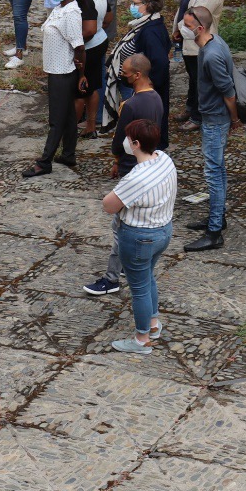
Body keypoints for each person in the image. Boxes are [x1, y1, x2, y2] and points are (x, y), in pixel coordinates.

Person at [83, 54, 166, 296]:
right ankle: (122, 267)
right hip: (149, 163)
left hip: (131, 166)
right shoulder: (157, 99)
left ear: (137, 75)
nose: (123, 75)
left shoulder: (130, 105)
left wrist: (117, 160)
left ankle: (111, 279)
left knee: (121, 225)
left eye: (126, 73)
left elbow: (119, 141)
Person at [102, 119, 177, 355]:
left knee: (140, 289)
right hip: (163, 232)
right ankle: (153, 324)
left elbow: (109, 205)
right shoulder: (164, 160)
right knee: (148, 278)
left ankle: (142, 339)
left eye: (127, 138)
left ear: (135, 144)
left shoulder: (136, 179)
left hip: (138, 238)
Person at [182, 7, 240, 252]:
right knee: (219, 170)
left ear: (200, 28)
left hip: (216, 119)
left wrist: (234, 120)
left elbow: (228, 91)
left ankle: (214, 232)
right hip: (214, 117)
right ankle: (219, 217)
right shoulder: (211, 44)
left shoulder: (212, 54)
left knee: (214, 174)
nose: (182, 29)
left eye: (186, 25)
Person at [23, 0, 86, 178]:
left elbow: (79, 46)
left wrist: (81, 73)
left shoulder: (71, 14)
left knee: (56, 119)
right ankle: (68, 154)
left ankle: (44, 161)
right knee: (68, 116)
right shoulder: (60, 9)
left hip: (63, 72)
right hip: (55, 69)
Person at [106, 0, 172, 148]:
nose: (132, 7)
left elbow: (161, 62)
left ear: (149, 5)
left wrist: (148, 84)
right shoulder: (147, 24)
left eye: (136, 3)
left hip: (142, 88)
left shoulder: (150, 31)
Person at [173, 0, 225, 132]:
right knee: (193, 78)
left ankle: (198, 117)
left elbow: (197, 17)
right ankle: (191, 108)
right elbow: (179, 0)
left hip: (198, 41)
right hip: (187, 37)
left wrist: (179, 31)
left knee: (200, 80)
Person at [67, 0, 106, 138]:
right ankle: (91, 126)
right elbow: (109, 18)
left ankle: (69, 131)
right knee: (92, 87)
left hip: (88, 47)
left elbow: (89, 30)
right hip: (100, 41)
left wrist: (74, 41)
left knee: (79, 91)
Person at [88, 0, 120, 127]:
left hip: (101, 32)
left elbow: (102, 10)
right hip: (101, 30)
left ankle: (99, 114)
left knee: (98, 74)